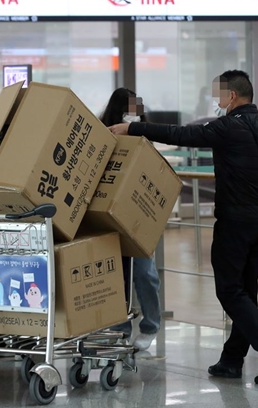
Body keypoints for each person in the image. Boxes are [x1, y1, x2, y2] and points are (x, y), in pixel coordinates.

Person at [109, 70, 258, 384]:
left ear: (233, 97)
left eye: (220, 95)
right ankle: (232, 360)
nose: (217, 101)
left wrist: (132, 127)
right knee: (245, 290)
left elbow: (180, 134)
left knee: (228, 289)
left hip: (235, 222)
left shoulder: (226, 128)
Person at [101, 88, 162, 351]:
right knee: (118, 274)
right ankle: (120, 328)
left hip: (140, 215)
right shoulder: (103, 133)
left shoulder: (145, 131)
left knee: (144, 272)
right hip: (109, 215)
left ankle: (150, 325)